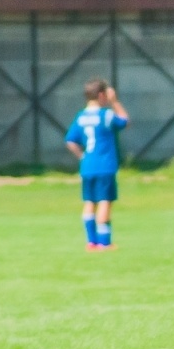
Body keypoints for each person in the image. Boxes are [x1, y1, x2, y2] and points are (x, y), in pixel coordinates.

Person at [65, 78, 129, 251]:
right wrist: (115, 102)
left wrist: (82, 156)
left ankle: (91, 242)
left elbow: (70, 141)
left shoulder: (81, 116)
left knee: (89, 202)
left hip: (87, 166)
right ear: (102, 95)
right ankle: (104, 242)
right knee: (104, 202)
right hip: (104, 166)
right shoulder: (105, 115)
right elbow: (124, 121)